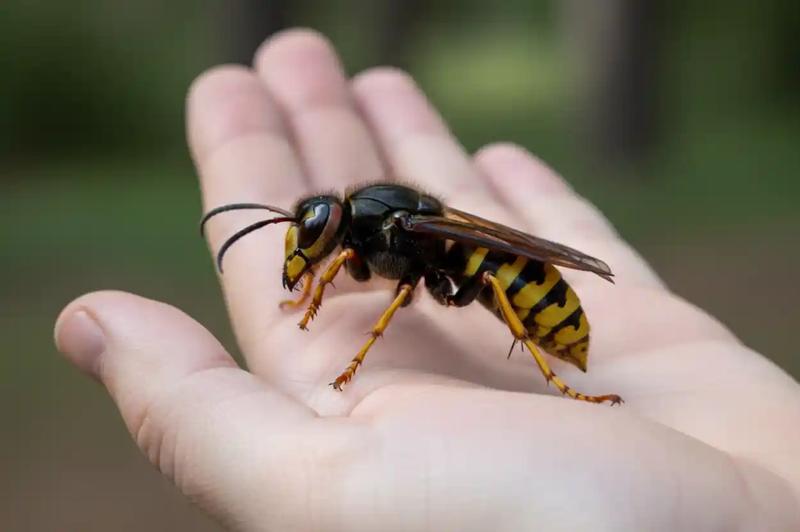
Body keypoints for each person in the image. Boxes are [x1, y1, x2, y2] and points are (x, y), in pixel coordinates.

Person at [54, 29, 800, 531]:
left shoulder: (396, 235)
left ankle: (557, 374)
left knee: (495, 280)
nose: (312, 252)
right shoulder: (361, 234)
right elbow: (358, 269)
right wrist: (308, 289)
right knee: (464, 277)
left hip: (530, 291)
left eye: (312, 242)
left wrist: (353, 355)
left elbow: (404, 288)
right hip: (486, 269)